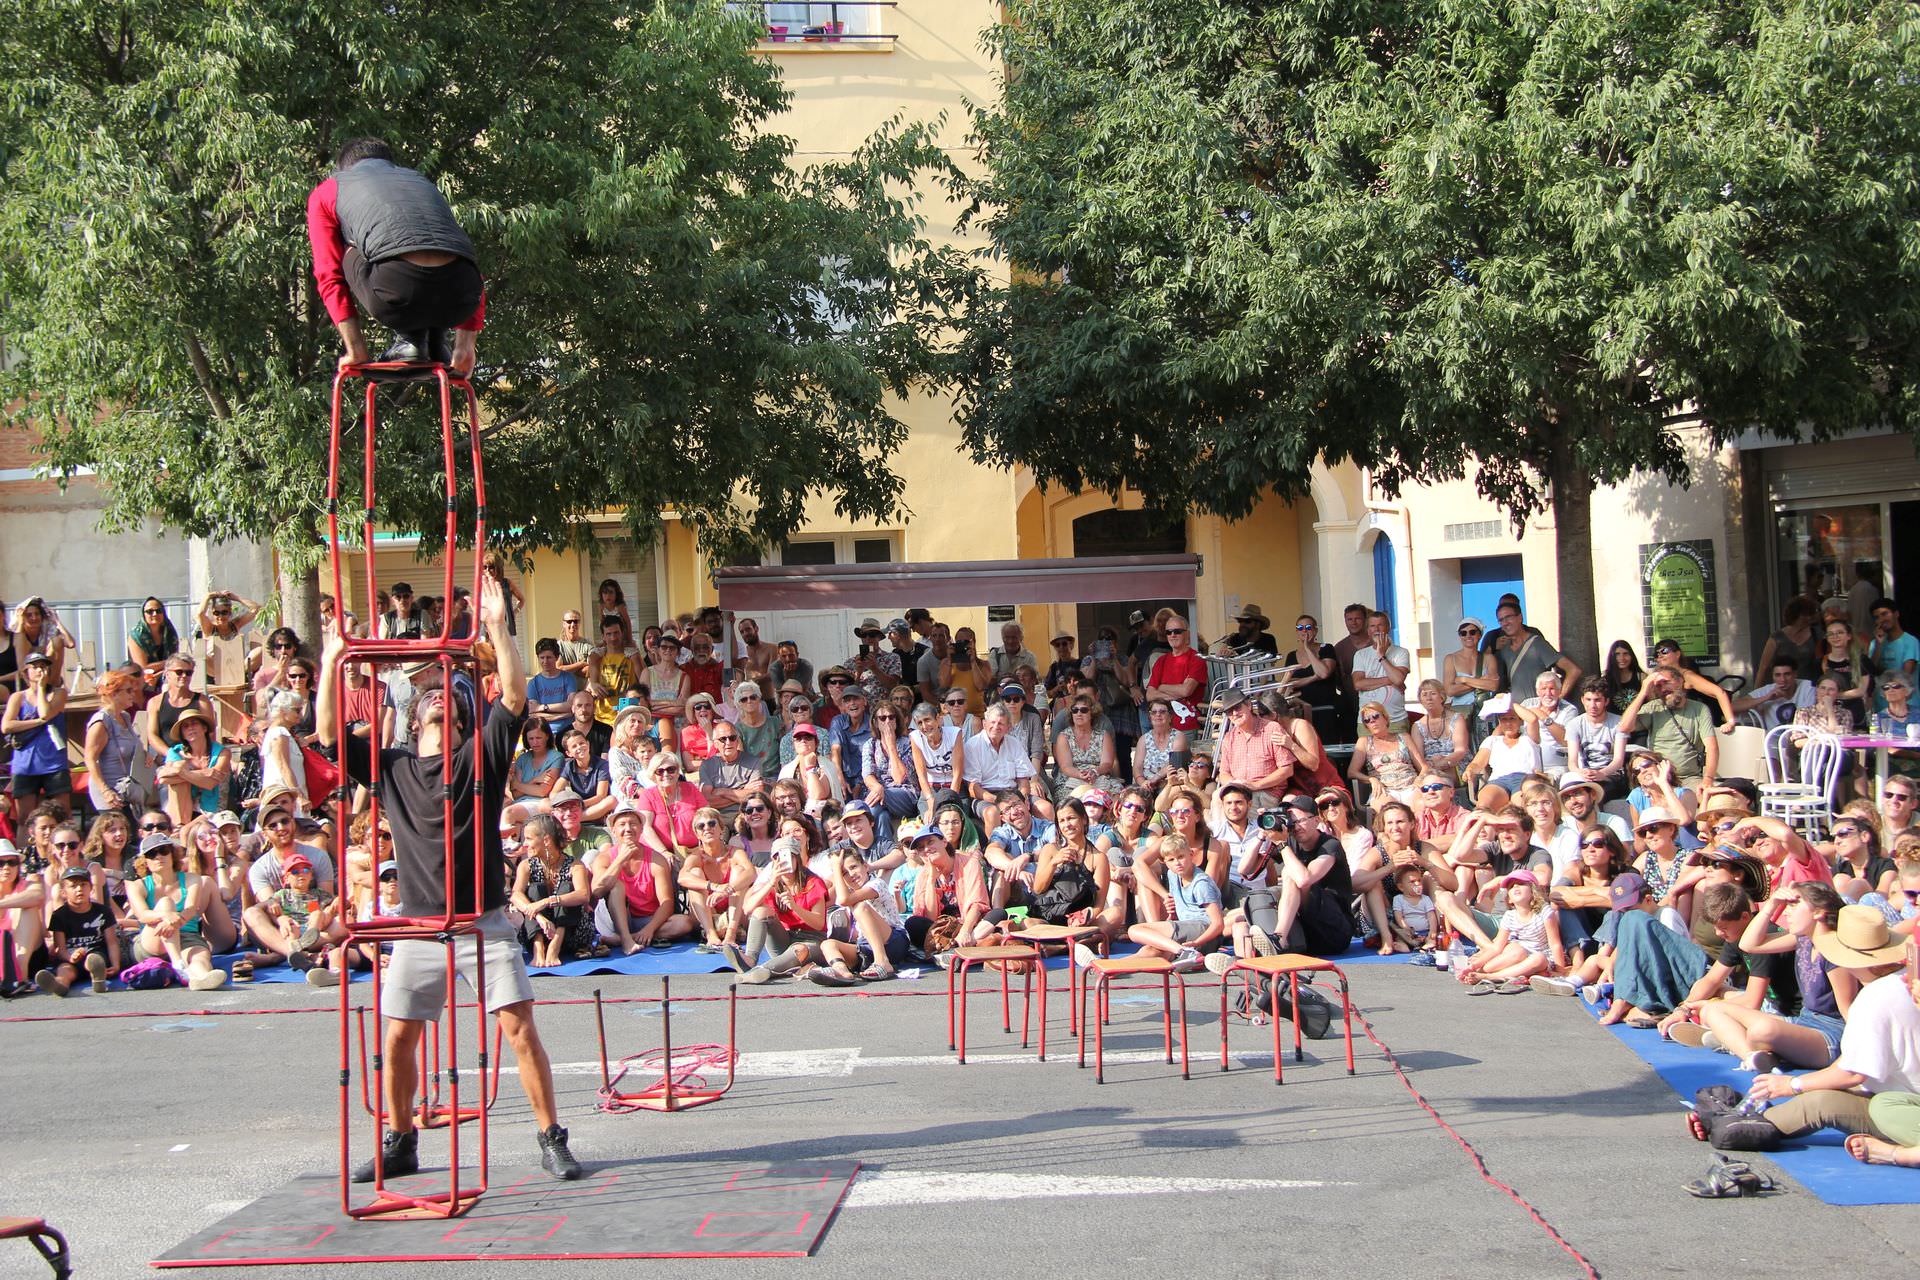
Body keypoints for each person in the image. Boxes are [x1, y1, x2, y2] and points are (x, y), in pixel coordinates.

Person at [319, 569, 581, 1183]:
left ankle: (551, 1137)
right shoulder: (394, 768)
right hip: (419, 927)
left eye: (451, 696)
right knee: (397, 1041)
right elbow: (331, 737)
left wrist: (497, 626)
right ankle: (401, 1140)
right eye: (431, 697)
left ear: (464, 720)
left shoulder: (479, 758)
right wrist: (334, 658)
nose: (441, 697)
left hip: (483, 921)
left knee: (519, 1030)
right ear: (415, 721)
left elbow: (514, 698)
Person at [1698, 908, 1918, 1157]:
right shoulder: (1902, 982)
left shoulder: (1875, 999)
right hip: (1901, 1093)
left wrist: (1793, 1084)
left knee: (1859, 1105)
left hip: (1904, 1104)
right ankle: (1741, 1122)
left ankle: (1738, 1125)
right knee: (1824, 1099)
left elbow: (1853, 1073)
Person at [307, 137, 483, 370]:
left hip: (396, 295)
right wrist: (465, 347)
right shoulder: (419, 181)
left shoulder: (330, 189)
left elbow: (328, 274)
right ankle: (431, 343)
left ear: (342, 169)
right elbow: (464, 257)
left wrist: (355, 349)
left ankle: (411, 342)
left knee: (356, 246)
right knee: (427, 243)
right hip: (462, 297)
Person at [1699, 881, 1855, 1073]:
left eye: (1794, 904)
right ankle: (1753, 1056)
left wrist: (1855, 1059)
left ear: (1818, 912)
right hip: (1803, 1022)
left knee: (1762, 1031)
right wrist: (1772, 905)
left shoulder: (1834, 952)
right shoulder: (1803, 939)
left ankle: (1739, 1040)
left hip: (1829, 1035)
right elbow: (1749, 944)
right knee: (1713, 1010)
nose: (1787, 911)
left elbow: (1848, 1011)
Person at [1090, 832, 1220, 972]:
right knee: (1152, 951)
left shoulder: (1201, 883)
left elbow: (1217, 924)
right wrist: (1172, 912)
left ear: (1191, 854)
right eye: (1171, 860)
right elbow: (1140, 866)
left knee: (1135, 930)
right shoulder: (1173, 874)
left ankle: (1183, 951)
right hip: (1189, 931)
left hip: (1202, 931)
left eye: (1181, 857)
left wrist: (1196, 943)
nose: (1177, 863)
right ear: (1165, 862)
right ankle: (1111, 968)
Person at [124, 833, 228, 990]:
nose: (159, 856)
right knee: (166, 903)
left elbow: (191, 909)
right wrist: (167, 915)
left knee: (200, 957)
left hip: (187, 935)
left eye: (164, 850)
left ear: (172, 854)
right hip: (153, 939)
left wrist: (173, 922)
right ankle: (178, 964)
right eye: (152, 854)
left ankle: (199, 978)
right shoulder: (138, 885)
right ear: (145, 861)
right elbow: (143, 915)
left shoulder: (191, 879)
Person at [1454, 870, 1565, 993]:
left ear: (1533, 891)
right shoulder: (1510, 916)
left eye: (1521, 884)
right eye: (1511, 887)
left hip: (1538, 957)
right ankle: (1478, 972)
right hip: (1518, 955)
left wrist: (1560, 971)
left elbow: (1555, 944)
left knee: (1539, 958)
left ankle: (1489, 977)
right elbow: (1497, 948)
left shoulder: (1544, 912)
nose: (1516, 887)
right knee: (1516, 949)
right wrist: (1474, 966)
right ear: (1509, 899)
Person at [1619, 670, 1719, 790]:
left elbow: (1711, 747)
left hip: (1689, 778)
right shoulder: (1653, 708)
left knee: (1714, 798)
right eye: (1658, 686)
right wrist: (1643, 692)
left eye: (1666, 682)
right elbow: (1624, 727)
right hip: (1659, 777)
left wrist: (1708, 779)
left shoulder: (1699, 709)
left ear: (1681, 681)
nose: (1663, 688)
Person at [4, 651, 70, 819]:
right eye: (35, 667)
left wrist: (41, 689)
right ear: (26, 672)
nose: (40, 671)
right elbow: (6, 726)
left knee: (62, 814)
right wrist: (37, 722)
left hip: (54, 763)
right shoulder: (18, 697)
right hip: (25, 765)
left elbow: (45, 712)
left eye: (43, 666)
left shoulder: (58, 694)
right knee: (25, 818)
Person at [35, 866, 120, 997]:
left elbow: (112, 942)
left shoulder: (103, 911)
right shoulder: (59, 916)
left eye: (83, 884)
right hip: (70, 958)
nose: (79, 889)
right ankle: (59, 985)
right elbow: (60, 949)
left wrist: (116, 964)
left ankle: (98, 979)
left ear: (91, 888)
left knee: (93, 959)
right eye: (73, 886)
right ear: (63, 892)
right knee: (64, 970)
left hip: (95, 953)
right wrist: (71, 957)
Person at [1490, 601, 1582, 698]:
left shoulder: (1537, 644)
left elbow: (1573, 670)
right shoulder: (1504, 649)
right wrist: (1493, 648)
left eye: (1509, 617)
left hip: (1538, 710)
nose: (1505, 623)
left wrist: (1558, 700)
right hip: (1515, 710)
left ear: (1520, 617)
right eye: (1501, 620)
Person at [1349, 701, 1424, 806]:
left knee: (1422, 804)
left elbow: (1423, 767)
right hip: (1385, 790)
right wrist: (1371, 779)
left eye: (1375, 716)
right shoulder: (1364, 742)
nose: (1372, 721)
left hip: (1411, 786)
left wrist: (1419, 782)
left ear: (1385, 718)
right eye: (1367, 720)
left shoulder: (1404, 737)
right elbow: (1352, 772)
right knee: (1390, 810)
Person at [1283, 615, 1343, 745]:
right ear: (1296, 632)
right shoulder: (1291, 656)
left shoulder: (1326, 648)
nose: (1304, 631)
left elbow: (1324, 673)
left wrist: (1308, 650)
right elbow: (1288, 683)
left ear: (1315, 631)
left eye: (1308, 627)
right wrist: (1313, 677)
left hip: (1325, 709)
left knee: (1328, 749)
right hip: (1301, 711)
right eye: (1300, 628)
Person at [1351, 610, 1413, 733]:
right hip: (1367, 721)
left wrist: (1381, 655)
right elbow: (1358, 684)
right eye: (1373, 626)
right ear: (1368, 631)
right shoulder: (1360, 655)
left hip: (1395, 719)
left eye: (1380, 625)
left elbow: (1399, 679)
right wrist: (1390, 680)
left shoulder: (1401, 652)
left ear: (1388, 628)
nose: (1376, 629)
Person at [1143, 617, 1207, 734]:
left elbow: (1186, 691)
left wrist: (1162, 687)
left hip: (1186, 726)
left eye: (1177, 631)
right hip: (1161, 727)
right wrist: (1177, 693)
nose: (1172, 635)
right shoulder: (1161, 661)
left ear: (1187, 634)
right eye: (1168, 632)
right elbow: (1150, 695)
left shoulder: (1197, 659)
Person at [1756, 597, 1822, 684]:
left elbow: (1823, 662)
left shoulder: (1817, 635)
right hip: (1784, 688)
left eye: (1810, 614)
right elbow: (1763, 668)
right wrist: (1755, 693)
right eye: (1805, 615)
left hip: (1810, 688)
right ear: (1795, 615)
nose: (1809, 618)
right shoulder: (1777, 638)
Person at [128, 597, 181, 684]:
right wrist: (169, 662)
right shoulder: (136, 635)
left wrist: (160, 673)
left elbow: (175, 663)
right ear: (143, 614)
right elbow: (143, 668)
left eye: (158, 611)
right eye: (150, 611)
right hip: (142, 680)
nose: (155, 614)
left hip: (166, 676)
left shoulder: (170, 631)